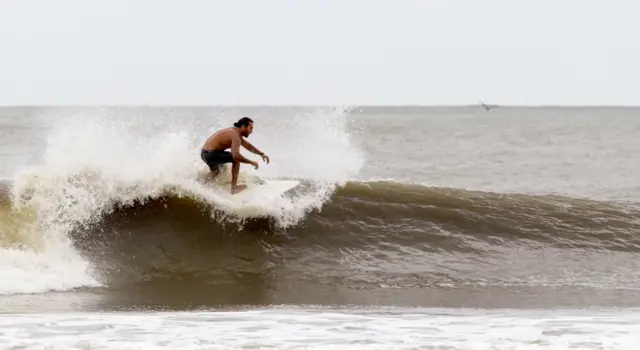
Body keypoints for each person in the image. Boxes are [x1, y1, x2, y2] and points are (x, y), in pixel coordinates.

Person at [200, 117, 270, 194]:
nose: (251, 131)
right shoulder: (235, 136)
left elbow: (247, 145)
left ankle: (201, 184)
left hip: (205, 154)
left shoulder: (235, 132)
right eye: (250, 128)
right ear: (243, 126)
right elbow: (236, 156)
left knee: (217, 172)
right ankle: (234, 188)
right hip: (211, 154)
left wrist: (261, 154)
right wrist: (251, 162)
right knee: (236, 159)